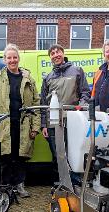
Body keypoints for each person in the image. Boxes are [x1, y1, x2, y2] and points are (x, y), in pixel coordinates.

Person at [0, 44, 40, 198]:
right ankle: (6, 186)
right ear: (4, 60)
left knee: (21, 156)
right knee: (6, 156)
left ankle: (20, 185)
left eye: (14, 57)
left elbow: (36, 103)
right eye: (9, 57)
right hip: (4, 124)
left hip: (23, 124)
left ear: (18, 58)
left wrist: (35, 126)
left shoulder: (28, 78)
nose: (12, 60)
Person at [40, 44, 90, 175]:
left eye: (58, 52)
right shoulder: (48, 77)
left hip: (72, 121)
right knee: (57, 154)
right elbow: (44, 102)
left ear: (63, 53)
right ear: (50, 57)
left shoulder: (77, 71)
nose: (56, 55)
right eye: (52, 53)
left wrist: (81, 107)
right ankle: (60, 183)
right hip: (53, 122)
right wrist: (44, 124)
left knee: (73, 152)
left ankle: (75, 183)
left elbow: (85, 93)